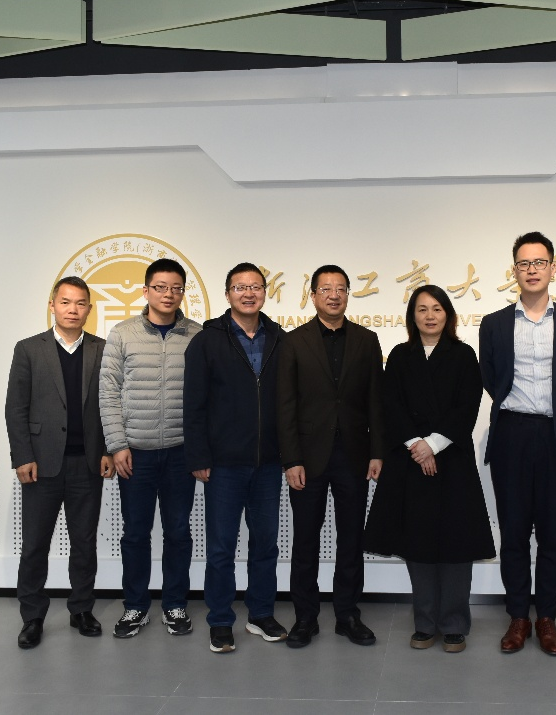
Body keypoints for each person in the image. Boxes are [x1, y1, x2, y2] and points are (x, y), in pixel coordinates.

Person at [479, 231, 556, 656]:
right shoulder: (494, 323)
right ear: (515, 270)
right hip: (511, 434)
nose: (532, 270)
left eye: (539, 262)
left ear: (552, 268)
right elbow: (490, 377)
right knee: (513, 533)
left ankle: (546, 617)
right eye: (524, 263)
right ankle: (518, 618)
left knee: (552, 535)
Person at [364, 285, 496, 653]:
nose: (430, 315)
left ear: (448, 314)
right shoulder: (400, 355)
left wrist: (433, 444)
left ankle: (454, 624)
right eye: (422, 309)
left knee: (456, 545)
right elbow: (391, 404)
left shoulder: (463, 355)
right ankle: (424, 623)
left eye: (437, 308)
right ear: (413, 316)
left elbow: (467, 406)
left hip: (452, 460)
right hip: (410, 462)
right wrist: (416, 445)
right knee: (417, 544)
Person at [277, 265, 384, 648]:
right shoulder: (294, 342)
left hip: (354, 456)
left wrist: (377, 451)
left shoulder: (367, 340)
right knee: (305, 540)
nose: (334, 295)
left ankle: (347, 614)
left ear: (348, 294)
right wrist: (291, 459)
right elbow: (285, 405)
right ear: (313, 296)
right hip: (307, 458)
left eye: (340, 288)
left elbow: (376, 400)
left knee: (351, 539)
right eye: (326, 289)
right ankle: (305, 617)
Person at [5, 276, 114, 649]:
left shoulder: (102, 349)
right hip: (42, 464)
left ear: (89, 309)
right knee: (35, 544)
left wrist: (108, 450)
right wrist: (23, 456)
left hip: (87, 463)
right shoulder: (28, 349)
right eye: (65, 302)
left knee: (84, 542)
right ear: (52, 305)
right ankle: (32, 616)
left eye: (81, 303)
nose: (73, 309)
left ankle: (81, 609)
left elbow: (110, 405)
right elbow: (16, 408)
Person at [184, 262, 288, 653]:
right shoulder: (207, 341)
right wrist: (198, 455)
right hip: (223, 465)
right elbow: (193, 404)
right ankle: (220, 620)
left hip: (268, 463)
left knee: (265, 545)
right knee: (221, 549)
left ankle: (261, 614)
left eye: (255, 286)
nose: (249, 293)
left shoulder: (279, 338)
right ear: (228, 293)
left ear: (265, 292)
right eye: (240, 287)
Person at [99, 258, 202, 639]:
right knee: (135, 534)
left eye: (176, 288)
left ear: (182, 292)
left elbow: (207, 397)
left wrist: (200, 450)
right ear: (145, 291)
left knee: (178, 532)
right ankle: (135, 606)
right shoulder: (122, 334)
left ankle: (175, 604)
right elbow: (108, 393)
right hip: (135, 454)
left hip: (180, 452)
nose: (168, 294)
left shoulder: (197, 335)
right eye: (160, 287)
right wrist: (117, 444)